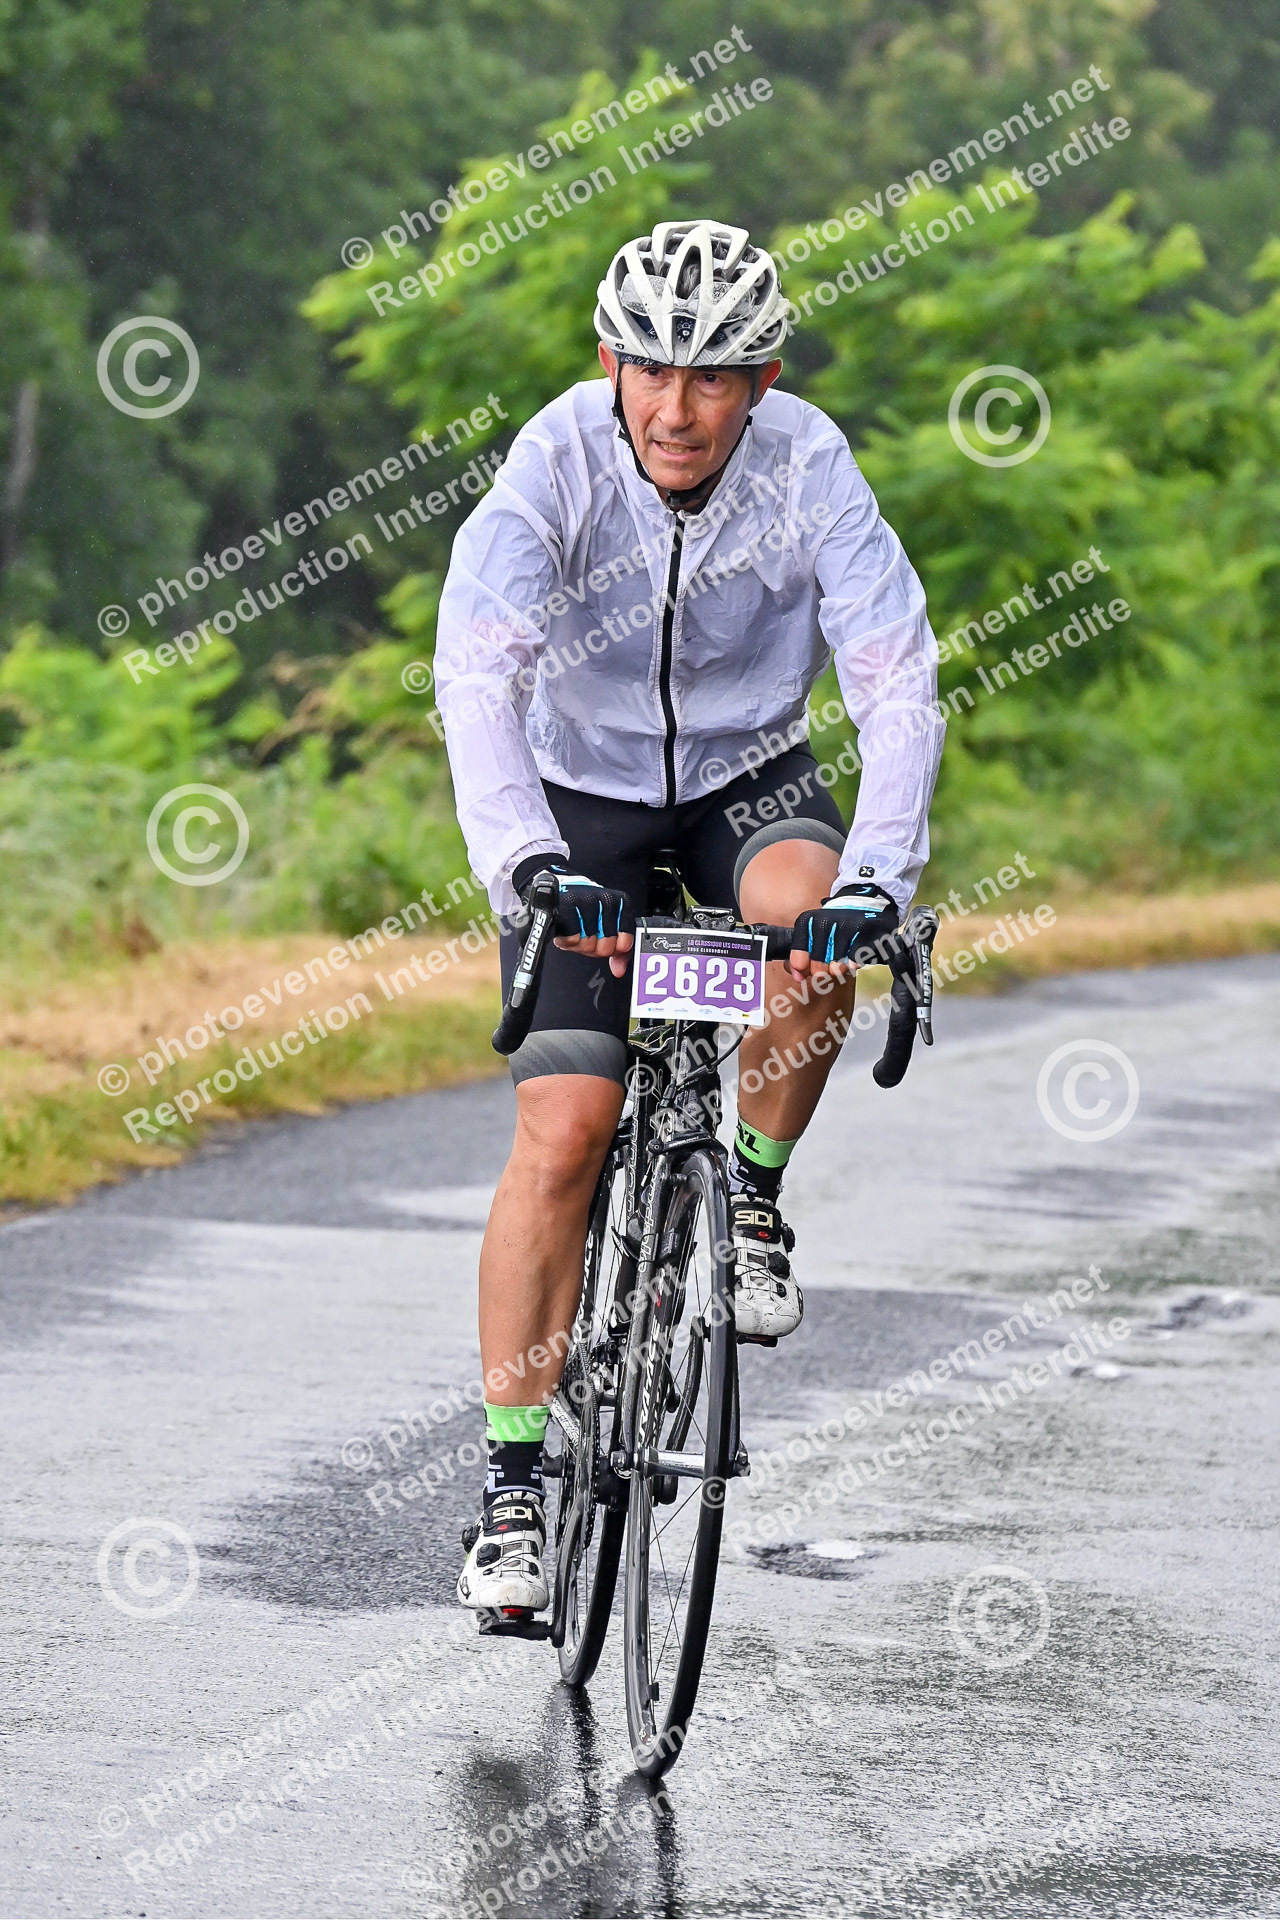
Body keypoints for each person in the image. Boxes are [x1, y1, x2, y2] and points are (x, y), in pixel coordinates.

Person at [435, 219, 944, 1616]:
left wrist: (880, 876)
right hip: (577, 801)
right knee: (565, 1128)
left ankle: (755, 1203)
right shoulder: (553, 463)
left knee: (812, 927)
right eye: (653, 368)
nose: (677, 406)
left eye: (714, 375)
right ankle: (514, 1491)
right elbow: (478, 674)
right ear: (609, 361)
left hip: (744, 782)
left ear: (762, 381)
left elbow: (894, 674)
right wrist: (530, 864)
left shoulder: (810, 466)